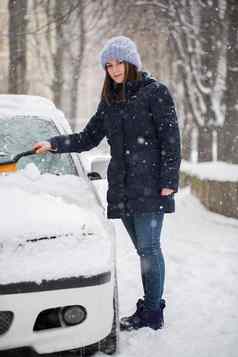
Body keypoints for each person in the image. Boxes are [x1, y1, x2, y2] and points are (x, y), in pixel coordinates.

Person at [34, 36, 181, 331]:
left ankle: (153, 312)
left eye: (119, 63)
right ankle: (151, 306)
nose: (114, 69)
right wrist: (53, 144)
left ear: (132, 63)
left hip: (151, 186)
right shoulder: (110, 101)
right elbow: (87, 138)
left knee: (149, 250)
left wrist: (168, 181)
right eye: (108, 65)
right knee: (143, 251)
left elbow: (171, 140)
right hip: (123, 190)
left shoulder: (156, 93)